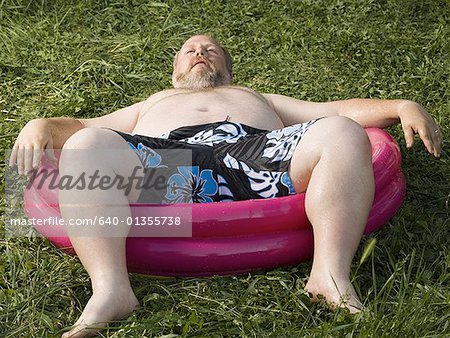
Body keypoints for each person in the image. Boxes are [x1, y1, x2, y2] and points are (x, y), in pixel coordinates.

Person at [9, 35, 442, 337]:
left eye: (210, 49)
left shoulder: (259, 98)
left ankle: (329, 277)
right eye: (190, 50)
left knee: (342, 132)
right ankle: (111, 290)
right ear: (176, 69)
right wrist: (41, 123)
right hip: (171, 165)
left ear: (227, 68)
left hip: (255, 156)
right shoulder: (154, 102)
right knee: (88, 145)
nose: (200, 52)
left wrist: (400, 105)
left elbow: (337, 109)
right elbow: (84, 128)